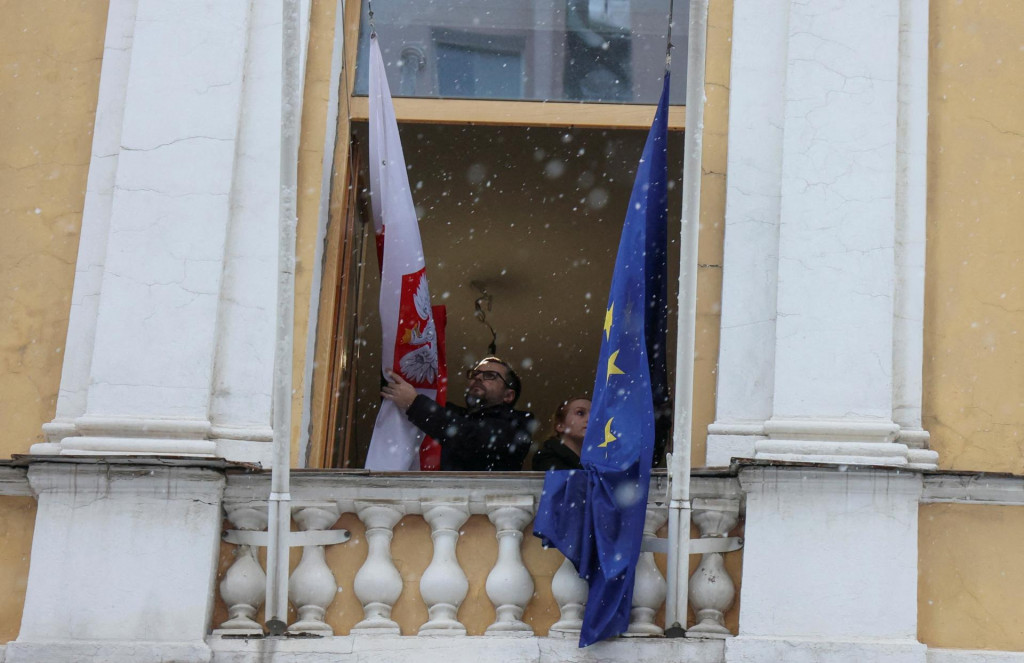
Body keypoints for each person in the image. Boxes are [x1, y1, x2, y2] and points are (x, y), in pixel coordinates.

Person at [381, 356, 536, 471]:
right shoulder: (456, 415)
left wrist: (415, 404)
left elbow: (468, 436)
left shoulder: (518, 425)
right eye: (475, 373)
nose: (478, 377)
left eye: (490, 375)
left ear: (508, 395)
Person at [531, 397, 590, 471]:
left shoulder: (599, 460)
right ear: (560, 426)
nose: (590, 418)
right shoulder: (547, 458)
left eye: (594, 415)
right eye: (580, 413)